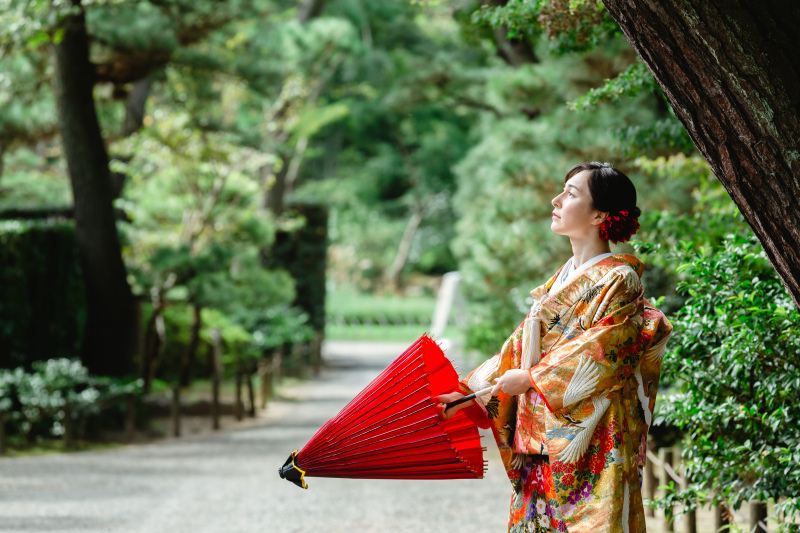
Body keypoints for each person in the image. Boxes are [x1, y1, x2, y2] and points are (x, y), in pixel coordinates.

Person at [437, 162, 673, 533]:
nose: (557, 199)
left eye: (572, 193)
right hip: (537, 442)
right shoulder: (559, 281)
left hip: (591, 442)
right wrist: (466, 394)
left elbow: (606, 348)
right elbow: (516, 351)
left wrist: (533, 377)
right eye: (562, 190)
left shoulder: (619, 278)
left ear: (599, 214)